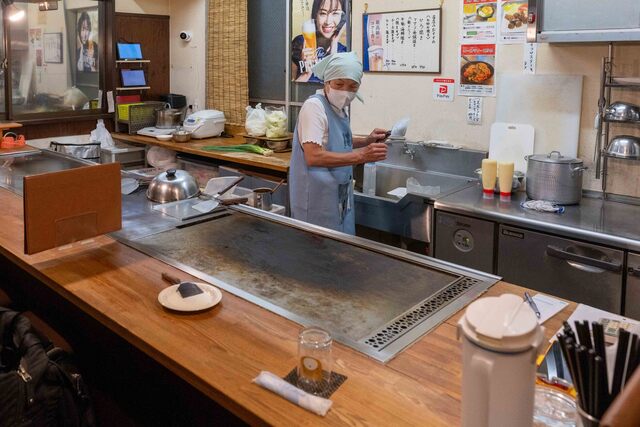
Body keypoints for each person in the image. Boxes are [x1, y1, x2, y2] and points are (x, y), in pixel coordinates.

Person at [289, 52, 388, 235]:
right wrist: (361, 155)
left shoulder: (339, 109)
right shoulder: (314, 107)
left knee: (338, 244)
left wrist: (366, 141)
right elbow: (313, 156)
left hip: (337, 194)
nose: (345, 91)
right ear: (327, 82)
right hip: (317, 198)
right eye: (339, 84)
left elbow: (335, 141)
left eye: (352, 86)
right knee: (317, 248)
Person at [291, 0, 347, 83]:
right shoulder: (300, 43)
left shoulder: (344, 52)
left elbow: (337, 87)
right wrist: (306, 73)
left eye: (335, 13)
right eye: (323, 13)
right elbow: (288, 87)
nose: (328, 22)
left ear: (343, 18)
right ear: (315, 15)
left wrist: (333, 48)